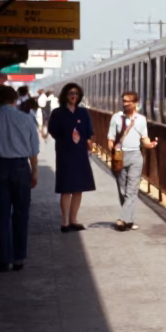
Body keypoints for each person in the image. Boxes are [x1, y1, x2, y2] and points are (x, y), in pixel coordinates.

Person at [0, 85, 40, 272]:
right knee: (21, 213)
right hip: (21, 167)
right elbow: (33, 150)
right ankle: (19, 258)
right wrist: (34, 172)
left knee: (1, 215)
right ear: (15, 100)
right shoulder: (26, 119)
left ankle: (4, 259)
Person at [46, 83, 96, 232]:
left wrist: (88, 143)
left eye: (76, 93)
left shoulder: (83, 112)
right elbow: (52, 130)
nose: (74, 96)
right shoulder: (58, 113)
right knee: (66, 188)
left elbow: (88, 132)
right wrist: (66, 138)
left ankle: (73, 220)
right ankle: (65, 222)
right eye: (70, 93)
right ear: (65, 96)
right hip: (65, 153)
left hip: (80, 153)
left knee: (78, 188)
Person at [107, 91, 157, 231]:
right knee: (122, 190)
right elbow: (110, 138)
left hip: (135, 155)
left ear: (135, 103)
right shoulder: (116, 118)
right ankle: (129, 220)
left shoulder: (141, 119)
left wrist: (149, 145)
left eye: (129, 101)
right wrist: (113, 151)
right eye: (124, 100)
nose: (126, 103)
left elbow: (144, 138)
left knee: (132, 190)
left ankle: (123, 219)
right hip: (120, 156)